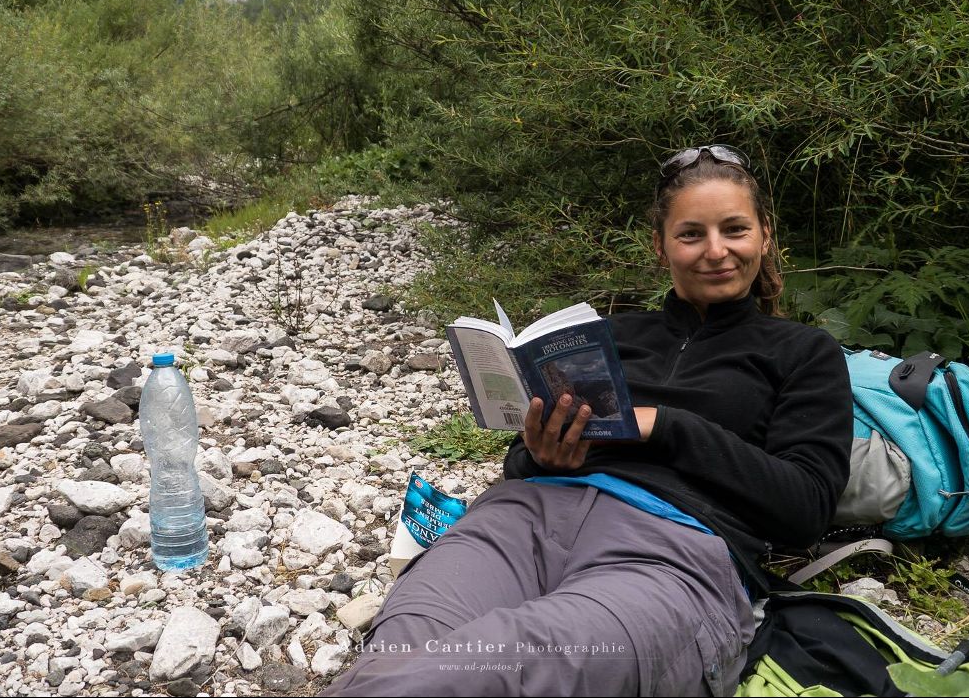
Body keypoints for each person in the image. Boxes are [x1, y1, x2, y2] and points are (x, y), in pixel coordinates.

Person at [321, 145, 853, 697]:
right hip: (522, 518)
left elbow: (806, 507)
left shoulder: (804, 352)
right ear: (661, 245)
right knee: (400, 647)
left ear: (765, 235)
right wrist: (540, 452)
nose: (715, 251)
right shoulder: (611, 335)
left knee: (481, 669)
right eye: (691, 234)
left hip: (669, 553)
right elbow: (522, 460)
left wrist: (669, 427)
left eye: (734, 230)